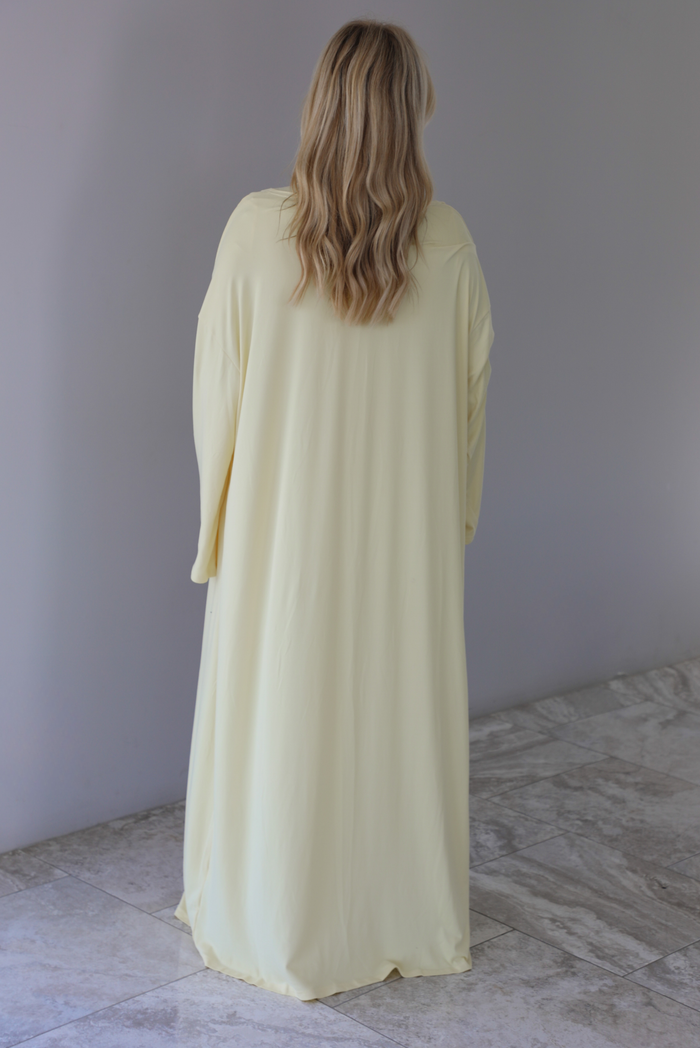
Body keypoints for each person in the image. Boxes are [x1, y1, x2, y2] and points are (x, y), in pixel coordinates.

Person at [175, 17, 494, 1002]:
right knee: (391, 715)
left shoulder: (253, 233)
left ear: (318, 107)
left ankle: (277, 911)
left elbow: (213, 398)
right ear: (413, 114)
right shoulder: (444, 246)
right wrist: (452, 520)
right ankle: (401, 909)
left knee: (283, 719)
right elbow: (470, 402)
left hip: (281, 550)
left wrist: (217, 525)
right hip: (402, 547)